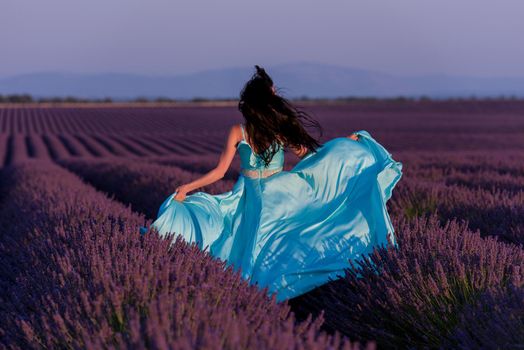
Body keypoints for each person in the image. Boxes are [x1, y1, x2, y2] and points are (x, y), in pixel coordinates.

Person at [140, 65, 402, 302]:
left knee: (244, 241)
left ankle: (248, 292)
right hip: (279, 193)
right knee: (274, 241)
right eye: (273, 94)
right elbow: (313, 157)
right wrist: (344, 147)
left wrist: (187, 188)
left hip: (251, 193)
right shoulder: (279, 131)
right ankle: (265, 289)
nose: (277, 97)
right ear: (265, 100)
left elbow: (220, 172)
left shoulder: (238, 131)